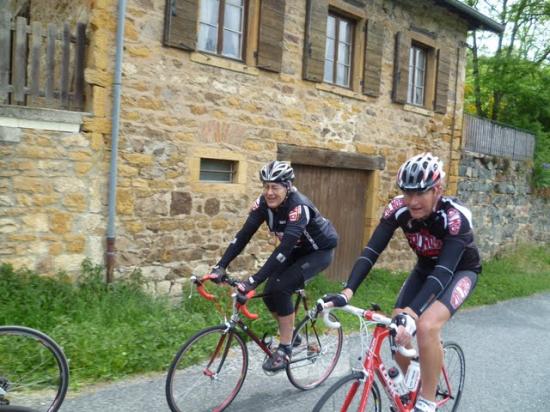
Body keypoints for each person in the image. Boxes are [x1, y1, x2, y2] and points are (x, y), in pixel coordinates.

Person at [323, 153, 481, 412]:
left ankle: (428, 401)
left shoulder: (454, 218)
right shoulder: (398, 209)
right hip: (425, 269)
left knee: (427, 326)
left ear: (437, 189)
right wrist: (348, 292)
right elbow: (371, 251)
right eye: (407, 193)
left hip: (459, 271)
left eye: (420, 194)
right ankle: (413, 381)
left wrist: (413, 312)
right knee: (396, 327)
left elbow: (443, 271)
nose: (413, 201)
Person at [209, 160, 339, 372]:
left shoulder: (299, 207)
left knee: (281, 287)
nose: (269, 192)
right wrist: (221, 266)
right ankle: (294, 337)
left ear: (287, 187)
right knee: (269, 293)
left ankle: (285, 349)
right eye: (266, 186)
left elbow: (284, 249)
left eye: (275, 187)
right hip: (296, 250)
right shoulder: (262, 204)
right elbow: (243, 236)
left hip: (319, 252)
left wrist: (252, 281)